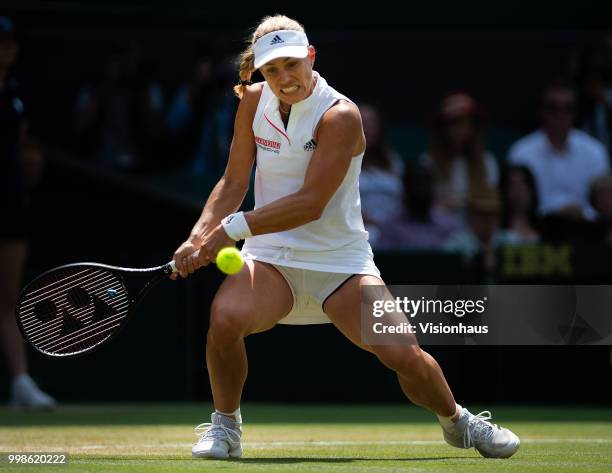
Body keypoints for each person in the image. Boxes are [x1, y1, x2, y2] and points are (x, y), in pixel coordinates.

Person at [171, 15, 519, 460]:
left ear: (310, 57)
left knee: (405, 357)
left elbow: (311, 202)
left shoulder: (340, 115)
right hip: (272, 260)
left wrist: (232, 229)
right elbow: (234, 180)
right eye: (272, 70)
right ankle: (226, 427)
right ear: (259, 72)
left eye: (292, 65)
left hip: (341, 264)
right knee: (224, 320)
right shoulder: (252, 101)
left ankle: (458, 421)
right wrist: (197, 236)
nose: (284, 78)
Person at [0, 16, 55, 409]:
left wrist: (28, 160)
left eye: (9, 42)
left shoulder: (16, 96)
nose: (5, 48)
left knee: (6, 299)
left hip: (11, 205)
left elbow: (22, 146)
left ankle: (21, 384)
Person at [508, 80, 609, 221]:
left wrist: (580, 213)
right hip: (538, 229)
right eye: (553, 108)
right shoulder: (522, 151)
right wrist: (556, 212)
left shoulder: (594, 150)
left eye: (568, 108)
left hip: (587, 228)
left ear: (575, 113)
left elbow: (603, 201)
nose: (561, 114)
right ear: (542, 111)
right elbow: (518, 204)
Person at [420, 92, 499, 217]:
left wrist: (468, 203)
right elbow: (423, 207)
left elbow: (491, 203)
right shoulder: (428, 162)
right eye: (453, 122)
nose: (461, 128)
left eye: (467, 122)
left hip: (474, 228)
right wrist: (445, 206)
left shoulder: (487, 161)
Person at [357, 103, 405, 246]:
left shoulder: (393, 161)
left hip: (395, 227)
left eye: (372, 123)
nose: (367, 128)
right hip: (361, 229)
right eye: (362, 122)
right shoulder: (342, 162)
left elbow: (403, 198)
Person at [498, 165, 540, 245]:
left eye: (523, 184)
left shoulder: (546, 228)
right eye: (513, 185)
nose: (518, 190)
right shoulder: (496, 229)